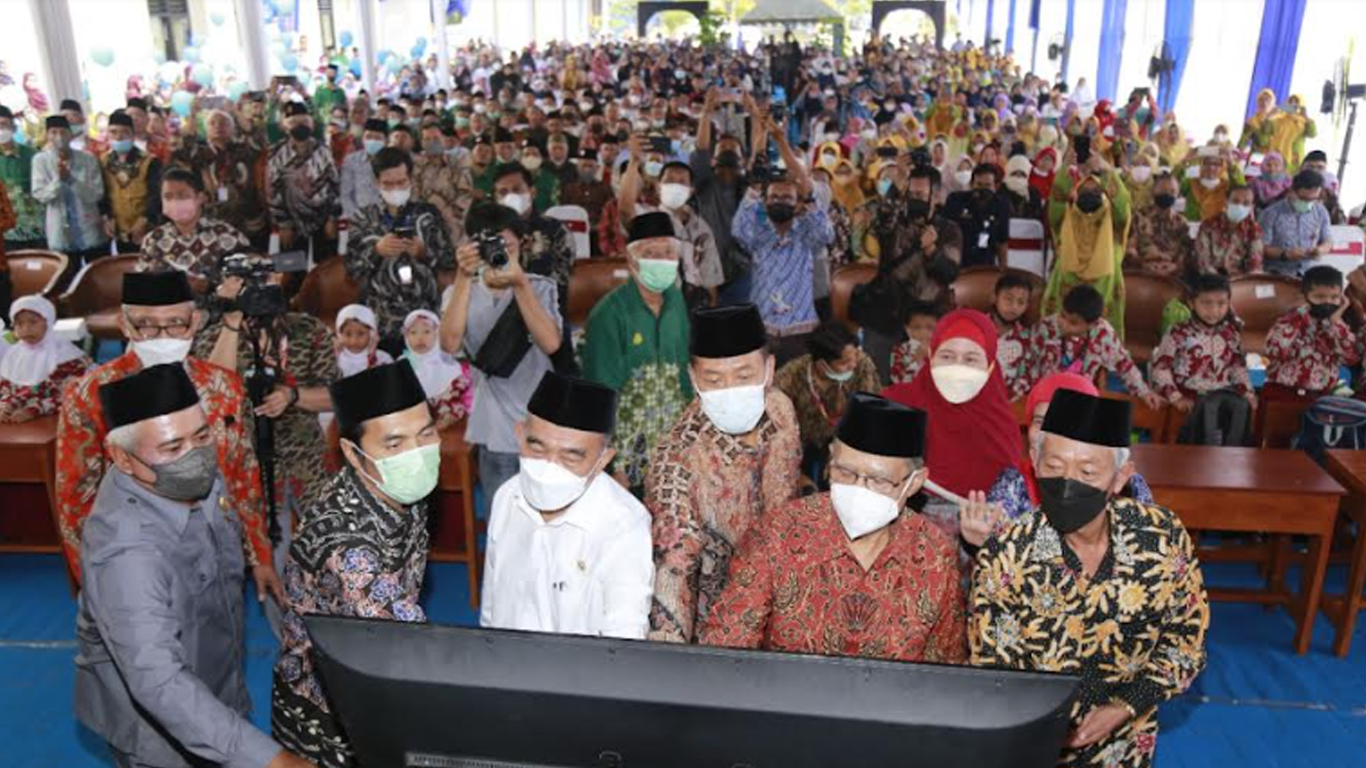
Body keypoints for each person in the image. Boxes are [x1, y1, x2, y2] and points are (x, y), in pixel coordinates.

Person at [77, 364, 315, 768]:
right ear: (122, 458)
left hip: (217, 679)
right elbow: (158, 681)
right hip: (160, 734)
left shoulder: (187, 476)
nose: (196, 457)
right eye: (172, 448)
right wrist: (273, 762)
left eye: (202, 436)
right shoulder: (125, 551)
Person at [970, 389, 1208, 768]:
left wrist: (1126, 704)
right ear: (1033, 460)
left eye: (1087, 472)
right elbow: (995, 669)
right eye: (1054, 466)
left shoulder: (1161, 540)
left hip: (1125, 744)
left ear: (1120, 477)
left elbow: (1186, 644)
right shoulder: (1007, 553)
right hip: (1030, 745)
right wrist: (1042, 730)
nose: (1067, 482)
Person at [55, 271, 280, 599]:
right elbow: (75, 499)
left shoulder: (224, 387)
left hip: (216, 550)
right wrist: (95, 579)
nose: (162, 336)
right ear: (124, 324)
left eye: (176, 323)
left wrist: (260, 555)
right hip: (135, 557)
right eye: (146, 324)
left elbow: (244, 474)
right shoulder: (89, 394)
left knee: (219, 643)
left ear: (195, 321)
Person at [700, 392, 965, 663]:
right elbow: (726, 655)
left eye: (879, 481)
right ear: (830, 459)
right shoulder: (776, 536)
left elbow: (942, 672)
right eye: (845, 473)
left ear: (916, 482)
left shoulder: (935, 558)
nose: (859, 489)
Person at [272, 361, 439, 768]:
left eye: (426, 433)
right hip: (332, 708)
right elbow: (412, 645)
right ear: (352, 451)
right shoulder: (348, 550)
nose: (417, 454)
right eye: (395, 444)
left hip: (368, 661)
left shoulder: (393, 485)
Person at [646, 303, 801, 643]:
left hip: (781, 604)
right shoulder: (676, 460)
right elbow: (675, 568)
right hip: (715, 633)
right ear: (692, 379)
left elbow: (784, 509)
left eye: (744, 376)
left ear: (769, 370)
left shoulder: (779, 409)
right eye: (713, 379)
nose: (730, 389)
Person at [195, 261, 338, 624]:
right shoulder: (220, 334)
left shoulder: (308, 330)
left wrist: (293, 396)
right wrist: (231, 318)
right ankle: (288, 633)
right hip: (250, 465)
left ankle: (336, 624)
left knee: (328, 543)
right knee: (270, 555)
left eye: (267, 281)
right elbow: (208, 390)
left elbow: (337, 395)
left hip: (307, 458)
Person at [480, 371, 653, 638]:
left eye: (570, 457)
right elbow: (492, 603)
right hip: (507, 663)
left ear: (603, 460)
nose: (550, 466)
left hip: (581, 675)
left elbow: (625, 635)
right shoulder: (507, 497)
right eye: (537, 449)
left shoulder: (624, 523)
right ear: (519, 434)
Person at [441, 202, 562, 518]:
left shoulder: (541, 287)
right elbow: (449, 343)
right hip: (494, 428)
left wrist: (520, 283)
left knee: (546, 521)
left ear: (521, 243)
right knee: (503, 523)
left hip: (541, 426)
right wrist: (463, 277)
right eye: (489, 245)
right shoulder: (458, 292)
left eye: (505, 245)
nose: (498, 252)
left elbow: (550, 343)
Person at [882, 308, 1023, 547]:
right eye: (947, 356)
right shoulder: (895, 408)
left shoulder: (1002, 428)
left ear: (989, 366)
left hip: (978, 550)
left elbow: (1011, 517)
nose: (958, 368)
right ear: (931, 355)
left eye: (971, 359)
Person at [581, 212, 693, 493]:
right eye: (651, 253)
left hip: (673, 448)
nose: (661, 259)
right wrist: (616, 465)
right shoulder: (609, 315)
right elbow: (600, 396)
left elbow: (686, 374)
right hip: (630, 455)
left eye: (668, 252)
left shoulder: (677, 301)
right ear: (631, 260)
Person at [731, 118, 834, 364]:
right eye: (774, 197)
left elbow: (825, 229)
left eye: (787, 197)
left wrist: (780, 140)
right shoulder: (757, 236)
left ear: (798, 203)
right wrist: (755, 185)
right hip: (760, 331)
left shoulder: (808, 236)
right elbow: (739, 228)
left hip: (801, 334)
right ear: (764, 202)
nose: (779, 201)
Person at [344, 147, 454, 355]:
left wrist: (424, 252)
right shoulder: (364, 219)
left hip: (424, 321)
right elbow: (351, 269)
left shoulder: (428, 215)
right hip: (381, 322)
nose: (395, 189)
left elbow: (449, 260)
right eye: (388, 184)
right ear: (377, 183)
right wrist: (376, 249)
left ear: (410, 179)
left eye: (401, 182)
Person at [865, 164, 964, 382]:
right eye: (910, 194)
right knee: (880, 384)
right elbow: (877, 225)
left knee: (930, 385)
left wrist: (931, 250)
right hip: (890, 314)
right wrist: (894, 189)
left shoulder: (949, 230)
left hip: (928, 321)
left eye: (920, 195)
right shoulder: (895, 224)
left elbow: (949, 273)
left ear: (936, 196)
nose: (914, 199)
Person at [774, 319, 881, 488]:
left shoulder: (862, 365)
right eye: (844, 363)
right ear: (822, 364)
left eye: (855, 356)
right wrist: (796, 472)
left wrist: (842, 454)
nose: (853, 365)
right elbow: (778, 430)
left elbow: (870, 414)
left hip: (848, 438)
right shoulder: (790, 377)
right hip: (800, 444)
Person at [1151, 274, 1255, 445]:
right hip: (1190, 397)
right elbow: (1161, 368)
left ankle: (1229, 462)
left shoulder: (1231, 334)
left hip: (1222, 396)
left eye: (1221, 304)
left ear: (1229, 304)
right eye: (1206, 303)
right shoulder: (1178, 332)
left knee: (1240, 409)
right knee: (1206, 418)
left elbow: (1238, 367)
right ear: (1192, 303)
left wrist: (1248, 392)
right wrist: (1175, 397)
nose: (1214, 311)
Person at [619, 150, 724, 308]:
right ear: (659, 187)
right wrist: (633, 162)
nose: (676, 185)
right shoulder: (649, 217)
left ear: (691, 190)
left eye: (682, 182)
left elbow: (710, 278)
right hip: (655, 305)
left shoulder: (702, 229)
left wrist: (710, 316)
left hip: (693, 308)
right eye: (670, 181)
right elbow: (625, 212)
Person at [1038, 284, 1163, 406]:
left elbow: (1124, 364)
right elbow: (1031, 367)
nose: (1064, 324)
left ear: (1092, 324)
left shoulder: (1103, 333)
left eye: (1073, 323)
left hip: (1082, 400)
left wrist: (1144, 392)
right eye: (1062, 316)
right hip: (1046, 397)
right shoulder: (1046, 327)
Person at [136, 167, 252, 293]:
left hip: (217, 309)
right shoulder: (154, 239)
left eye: (182, 196)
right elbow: (142, 290)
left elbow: (248, 284)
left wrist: (210, 287)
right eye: (168, 197)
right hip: (170, 310)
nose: (175, 202)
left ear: (200, 198)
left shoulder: (226, 235)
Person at [1044, 166, 1130, 333]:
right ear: (1074, 193)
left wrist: (1107, 170)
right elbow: (1056, 202)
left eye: (1097, 191)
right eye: (1083, 190)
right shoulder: (1066, 217)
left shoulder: (1113, 220)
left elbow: (1123, 207)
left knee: (1100, 341)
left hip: (1104, 287)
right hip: (1067, 283)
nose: (1090, 194)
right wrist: (1065, 169)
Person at [170, 108, 271, 251]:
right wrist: (192, 115)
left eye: (224, 123)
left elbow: (260, 140)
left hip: (249, 220)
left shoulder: (244, 150)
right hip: (214, 221)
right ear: (206, 130)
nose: (218, 126)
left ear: (233, 128)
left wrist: (236, 111)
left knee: (254, 263)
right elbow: (182, 148)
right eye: (212, 123)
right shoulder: (200, 153)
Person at [1263, 265, 1358, 405]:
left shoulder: (1339, 325)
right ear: (1304, 296)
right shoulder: (1288, 320)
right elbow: (1274, 351)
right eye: (1320, 297)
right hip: (1285, 393)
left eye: (1334, 297)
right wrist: (1298, 317)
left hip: (1321, 397)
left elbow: (1350, 358)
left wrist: (1335, 324)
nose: (1328, 302)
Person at [0, 295, 89, 422]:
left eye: (33, 322)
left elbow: (72, 396)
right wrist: (6, 406)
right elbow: (7, 390)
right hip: (19, 418)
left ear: (48, 321)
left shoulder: (66, 357)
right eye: (19, 324)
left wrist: (34, 409)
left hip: (59, 418)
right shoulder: (14, 354)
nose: (26, 329)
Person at [268, 102, 339, 259]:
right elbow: (273, 191)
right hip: (291, 224)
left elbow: (334, 185)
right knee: (291, 273)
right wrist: (283, 224)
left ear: (312, 125)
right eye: (294, 122)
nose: (300, 126)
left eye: (305, 122)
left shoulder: (323, 151)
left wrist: (332, 218)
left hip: (323, 221)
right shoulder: (276, 153)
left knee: (326, 270)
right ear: (285, 126)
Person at [32, 114, 107, 261]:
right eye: (53, 132)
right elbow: (40, 195)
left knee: (97, 274)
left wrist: (71, 180)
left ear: (71, 134)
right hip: (60, 233)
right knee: (68, 278)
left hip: (89, 229)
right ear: (47, 135)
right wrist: (58, 181)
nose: (59, 136)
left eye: (63, 132)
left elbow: (96, 194)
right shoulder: (40, 160)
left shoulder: (88, 158)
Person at [99, 110, 162, 253]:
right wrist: (106, 218)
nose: (119, 137)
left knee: (150, 269)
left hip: (146, 226)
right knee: (126, 267)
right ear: (108, 135)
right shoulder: (103, 161)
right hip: (120, 229)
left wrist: (144, 221)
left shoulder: (150, 161)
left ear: (133, 136)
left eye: (124, 132)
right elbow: (102, 194)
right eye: (113, 132)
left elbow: (156, 195)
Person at [400, 308, 469, 426]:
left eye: (426, 332)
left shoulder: (446, 360)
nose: (420, 338)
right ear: (406, 337)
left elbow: (457, 389)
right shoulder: (402, 362)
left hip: (443, 408)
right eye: (413, 332)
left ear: (437, 334)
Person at [1258, 169, 1333, 278]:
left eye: (1313, 199)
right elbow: (1261, 247)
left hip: (1308, 272)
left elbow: (1328, 241)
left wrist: (1319, 250)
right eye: (1304, 199)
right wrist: (1285, 254)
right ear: (1292, 191)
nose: (1308, 203)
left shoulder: (1320, 211)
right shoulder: (1271, 213)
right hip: (1277, 272)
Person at [1123, 171, 1192, 279]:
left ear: (1177, 195)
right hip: (1142, 272)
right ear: (1153, 191)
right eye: (1163, 190)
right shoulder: (1138, 217)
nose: (1167, 194)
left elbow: (1186, 252)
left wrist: (1174, 266)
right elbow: (1129, 247)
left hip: (1173, 274)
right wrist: (1142, 264)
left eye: (1172, 191)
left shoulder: (1181, 222)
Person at [941, 163, 1010, 268]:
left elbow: (1002, 243)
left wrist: (1004, 270)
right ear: (971, 184)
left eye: (988, 185)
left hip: (985, 267)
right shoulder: (956, 201)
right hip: (957, 264)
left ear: (996, 186)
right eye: (979, 184)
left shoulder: (1001, 206)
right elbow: (944, 234)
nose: (983, 189)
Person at [989, 272, 1045, 400]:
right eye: (1008, 299)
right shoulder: (977, 329)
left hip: (1009, 402)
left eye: (1021, 302)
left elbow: (1027, 378)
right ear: (995, 297)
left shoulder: (1029, 339)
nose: (1014, 307)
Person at [414, 121, 473, 242]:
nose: (432, 142)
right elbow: (413, 195)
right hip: (422, 222)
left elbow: (465, 193)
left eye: (436, 138)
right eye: (427, 139)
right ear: (422, 143)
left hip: (453, 223)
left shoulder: (457, 163)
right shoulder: (415, 165)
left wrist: (447, 212)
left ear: (443, 140)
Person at [1193, 183, 1264, 277]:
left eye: (1246, 203)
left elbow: (1255, 264)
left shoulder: (1253, 229)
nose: (1240, 206)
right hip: (1211, 281)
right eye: (1235, 201)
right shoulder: (1208, 226)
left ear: (1251, 207)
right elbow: (1203, 261)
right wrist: (1219, 281)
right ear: (1226, 201)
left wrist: (1240, 283)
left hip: (1241, 283)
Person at [0, 105, 45, 251]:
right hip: (8, 233)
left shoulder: (33, 155)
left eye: (3, 124)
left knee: (46, 268)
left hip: (38, 229)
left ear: (13, 127)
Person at [339, 118, 385, 220]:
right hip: (356, 219)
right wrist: (358, 218)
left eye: (377, 138)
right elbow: (345, 194)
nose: (372, 141)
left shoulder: (392, 161)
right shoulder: (351, 160)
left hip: (385, 217)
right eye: (368, 137)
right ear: (363, 138)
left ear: (386, 140)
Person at [333, 303, 393, 378]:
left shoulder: (383, 359)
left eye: (360, 334)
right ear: (340, 335)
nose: (354, 341)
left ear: (372, 334)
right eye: (348, 334)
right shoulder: (333, 359)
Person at [889, 300, 941, 385]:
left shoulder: (942, 350)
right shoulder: (900, 351)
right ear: (907, 329)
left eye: (930, 327)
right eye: (917, 327)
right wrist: (917, 361)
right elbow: (898, 381)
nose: (923, 333)